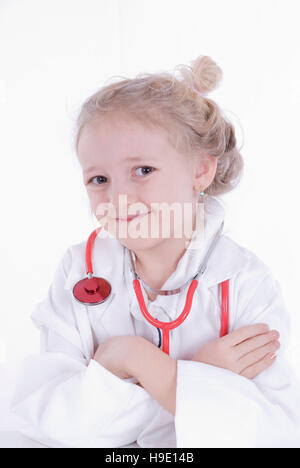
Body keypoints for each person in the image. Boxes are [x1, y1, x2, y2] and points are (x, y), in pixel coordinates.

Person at [9, 55, 300, 448]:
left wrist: (133, 360)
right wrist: (197, 382)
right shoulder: (78, 270)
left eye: (143, 170)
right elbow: (53, 425)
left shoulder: (247, 284)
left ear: (200, 170)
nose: (119, 197)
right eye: (99, 179)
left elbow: (271, 433)